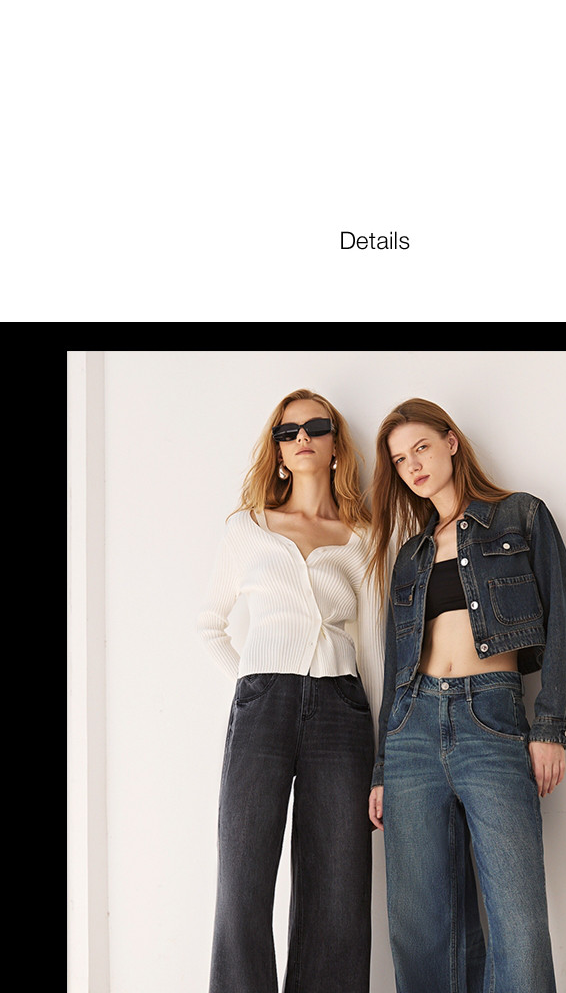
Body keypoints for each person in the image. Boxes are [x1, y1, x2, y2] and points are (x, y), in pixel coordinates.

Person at [367, 398, 566, 993]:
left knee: (519, 921)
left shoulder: (520, 516)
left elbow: (563, 621)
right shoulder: (409, 556)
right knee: (421, 926)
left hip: (491, 718)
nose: (413, 466)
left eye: (421, 448)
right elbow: (395, 666)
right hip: (411, 730)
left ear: (451, 442)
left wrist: (551, 726)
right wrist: (382, 768)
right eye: (399, 459)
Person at [198, 389, 385, 993]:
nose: (301, 437)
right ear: (278, 452)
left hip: (342, 709)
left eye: (315, 426)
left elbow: (373, 646)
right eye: (287, 431)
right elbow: (209, 626)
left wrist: (382, 755)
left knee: (339, 889)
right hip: (263, 708)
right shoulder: (248, 528)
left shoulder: (361, 536)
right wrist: (254, 682)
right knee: (242, 884)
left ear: (335, 445)